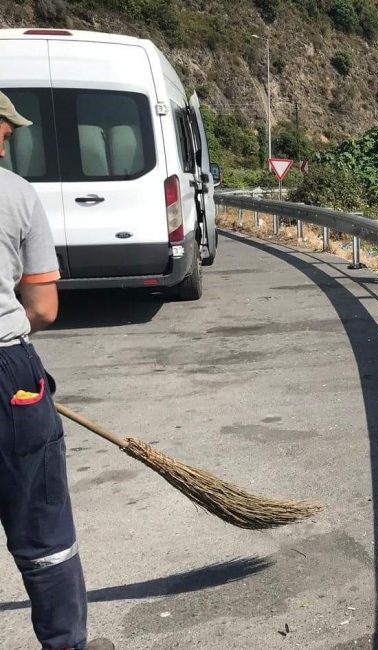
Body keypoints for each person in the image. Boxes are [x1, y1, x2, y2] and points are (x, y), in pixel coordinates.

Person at [0, 92, 112, 650]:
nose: (7, 143)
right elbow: (43, 307)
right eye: (4, 133)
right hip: (7, 372)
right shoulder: (15, 194)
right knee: (41, 528)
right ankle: (67, 645)